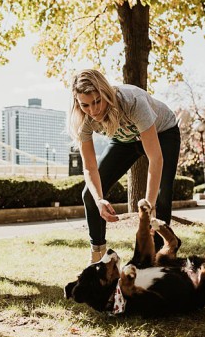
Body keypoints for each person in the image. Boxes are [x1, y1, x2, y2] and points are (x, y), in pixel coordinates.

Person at [68, 69, 181, 262]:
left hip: (163, 133)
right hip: (125, 140)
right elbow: (89, 168)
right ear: (77, 103)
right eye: (85, 105)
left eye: (97, 101)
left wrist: (148, 207)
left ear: (106, 93)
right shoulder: (83, 120)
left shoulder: (133, 102)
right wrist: (99, 200)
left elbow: (156, 159)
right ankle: (98, 256)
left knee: (160, 197)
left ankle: (156, 257)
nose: (93, 110)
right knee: (90, 194)